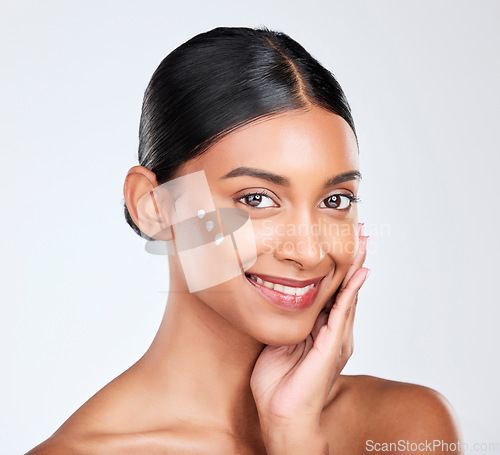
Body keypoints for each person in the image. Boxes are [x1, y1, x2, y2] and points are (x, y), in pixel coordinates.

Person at [27, 26, 462, 454]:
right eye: (257, 198)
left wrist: (295, 437)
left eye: (335, 199)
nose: (308, 251)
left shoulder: (407, 428)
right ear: (153, 206)